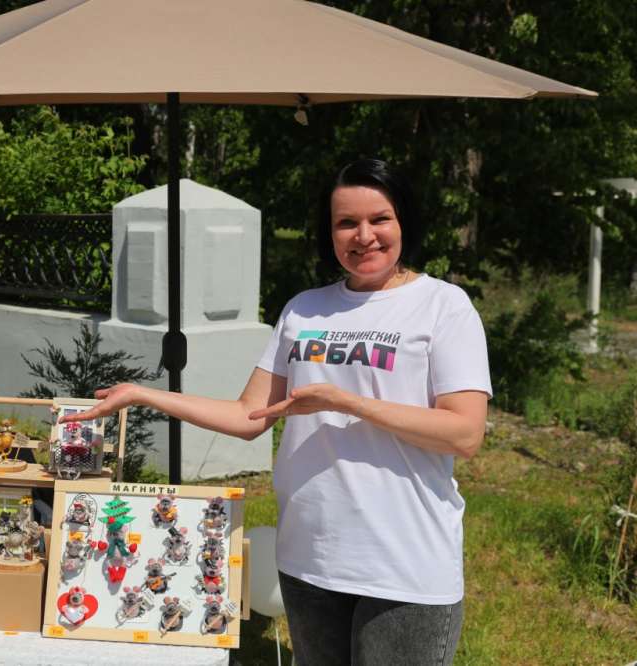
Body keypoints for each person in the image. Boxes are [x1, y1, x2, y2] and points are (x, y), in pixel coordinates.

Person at [61, 159, 491, 665]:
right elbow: (249, 416)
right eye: (346, 222)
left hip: (406, 566)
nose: (364, 236)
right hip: (310, 558)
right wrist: (144, 395)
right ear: (328, 232)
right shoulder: (305, 309)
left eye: (380, 219)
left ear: (404, 222)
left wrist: (347, 401)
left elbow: (464, 433)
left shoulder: (443, 306)